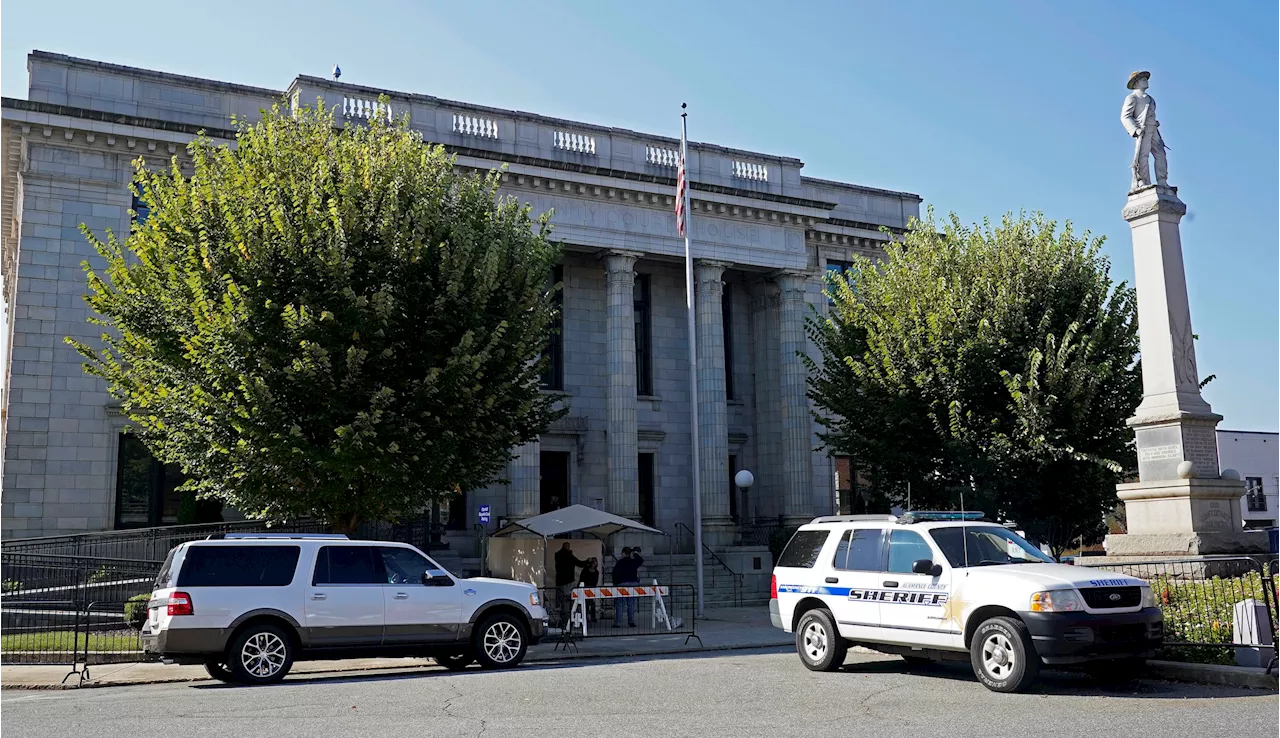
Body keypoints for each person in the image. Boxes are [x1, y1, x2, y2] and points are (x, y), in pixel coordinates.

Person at [1120, 70, 1168, 190]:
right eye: (1143, 79)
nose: (1146, 81)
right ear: (1136, 83)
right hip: (1142, 129)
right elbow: (1125, 117)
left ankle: (1162, 180)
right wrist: (1135, 130)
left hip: (1153, 129)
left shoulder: (1151, 99)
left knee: (1161, 154)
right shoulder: (1132, 98)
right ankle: (1142, 181)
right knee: (1143, 155)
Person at [553, 542, 590, 625]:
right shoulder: (569, 555)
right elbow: (579, 563)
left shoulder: (557, 555)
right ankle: (567, 621)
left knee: (560, 601)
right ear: (567, 547)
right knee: (567, 601)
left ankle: (561, 620)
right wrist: (587, 561)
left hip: (559, 581)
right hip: (568, 581)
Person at [611, 546, 644, 627]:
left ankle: (617, 623)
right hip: (633, 583)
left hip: (622, 583)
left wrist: (615, 583)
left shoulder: (619, 562)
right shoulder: (633, 562)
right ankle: (631, 621)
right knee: (631, 604)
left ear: (623, 553)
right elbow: (641, 560)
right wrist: (635, 553)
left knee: (620, 604)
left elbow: (614, 574)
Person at [578, 557, 601, 622]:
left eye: (595, 562)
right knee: (586, 604)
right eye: (592, 562)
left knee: (592, 604)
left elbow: (595, 582)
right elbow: (581, 579)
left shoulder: (596, 572)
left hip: (591, 589)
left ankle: (593, 617)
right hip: (584, 588)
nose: (593, 563)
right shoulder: (585, 570)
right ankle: (585, 617)